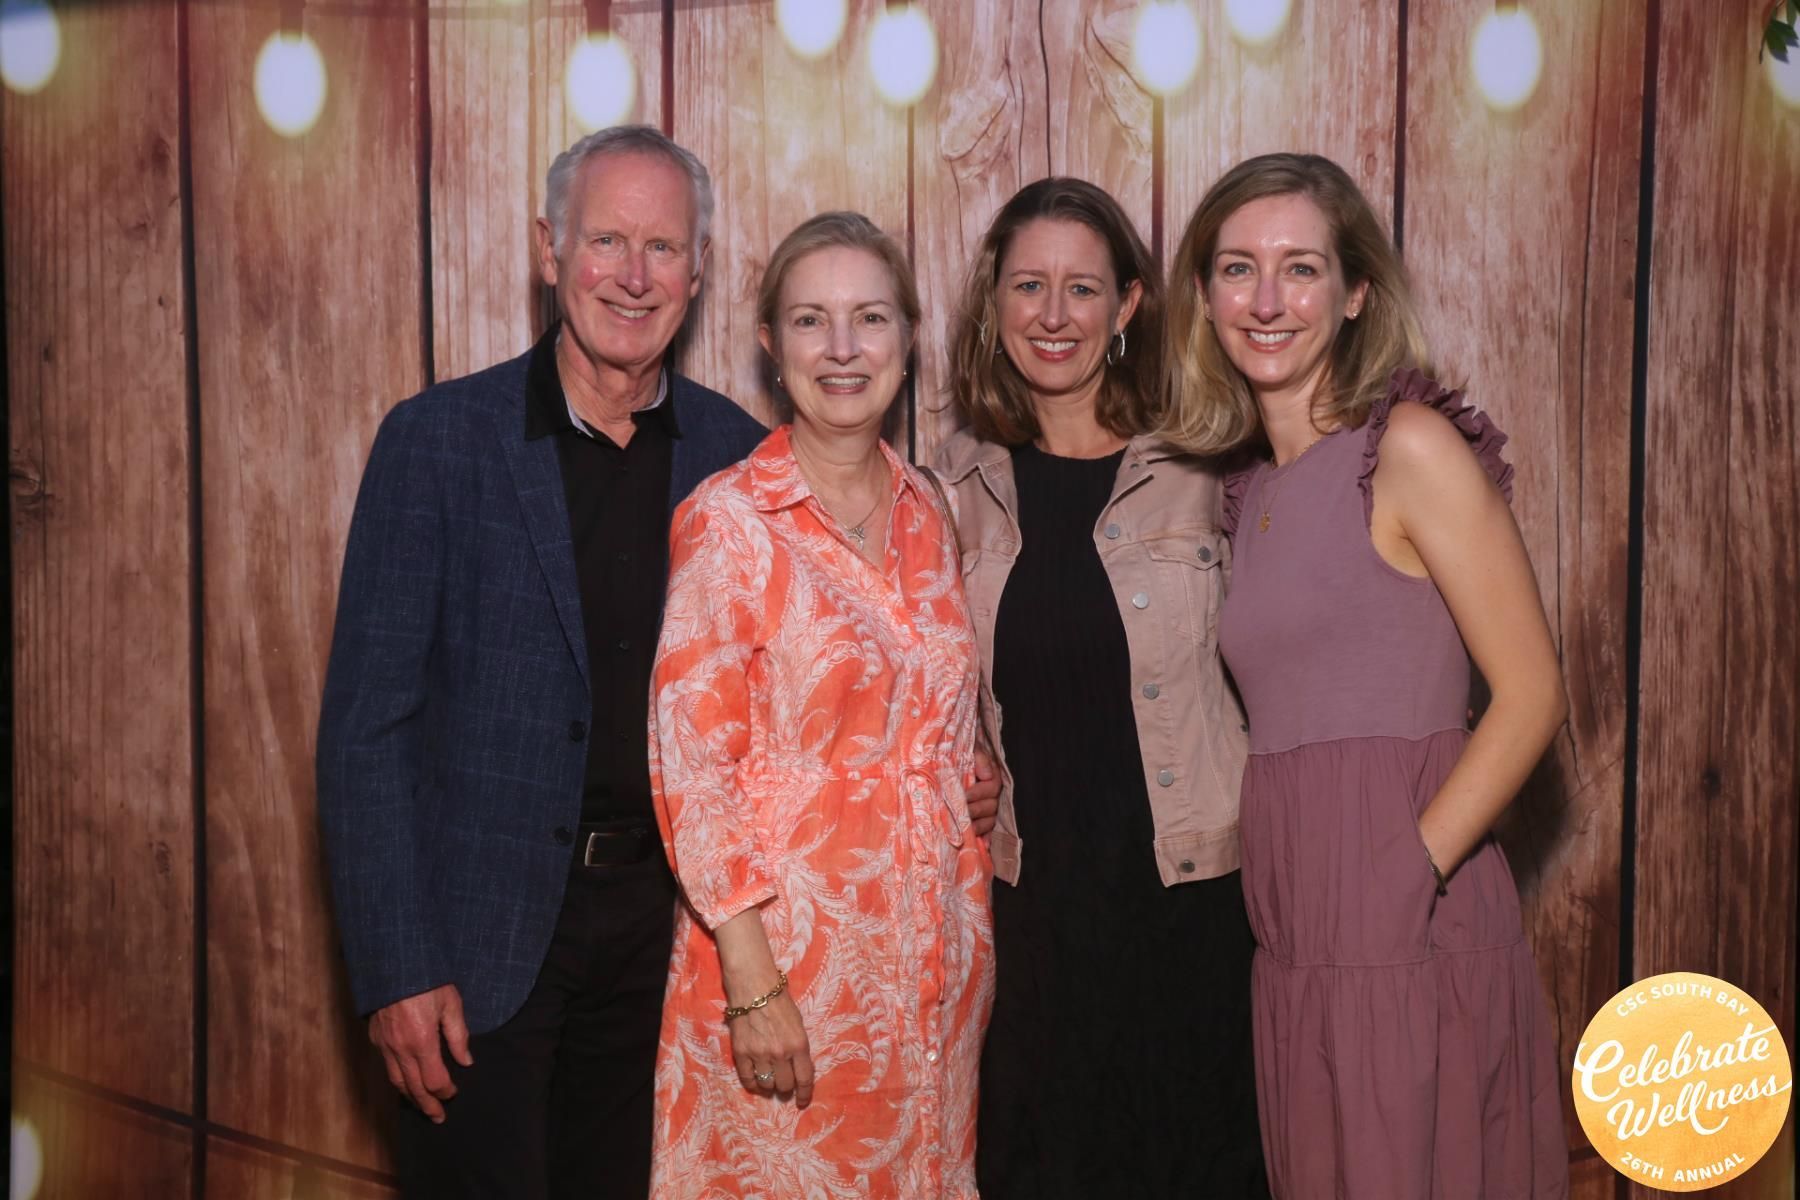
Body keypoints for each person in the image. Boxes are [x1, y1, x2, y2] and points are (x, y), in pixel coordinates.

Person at [315, 125, 766, 1198]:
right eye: (606, 240)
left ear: (699, 270)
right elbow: (364, 734)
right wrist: (397, 967)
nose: (633, 275)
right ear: (547, 249)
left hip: (669, 954)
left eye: (663, 248)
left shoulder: (739, 459)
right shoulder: (435, 442)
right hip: (478, 955)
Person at [1163, 152, 1569, 1198]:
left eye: (1301, 269)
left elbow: (1532, 692)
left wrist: (1406, 867)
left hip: (1406, 911)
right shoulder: (1252, 490)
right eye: (1238, 269)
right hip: (1294, 930)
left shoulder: (1409, 449)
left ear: (1353, 295)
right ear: (1205, 297)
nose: (1267, 300)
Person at [647, 211, 994, 1199]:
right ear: (772, 343)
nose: (843, 348)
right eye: (811, 320)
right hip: (786, 975)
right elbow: (691, 763)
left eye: (870, 318)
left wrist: (971, 770)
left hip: (934, 970)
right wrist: (752, 984)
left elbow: (934, 710)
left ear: (908, 339)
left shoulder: (933, 511)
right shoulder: (728, 522)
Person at [934, 177, 1267, 1199]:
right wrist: (963, 754)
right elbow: (920, 681)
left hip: (1191, 910)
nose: (1053, 314)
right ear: (994, 303)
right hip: (1034, 922)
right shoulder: (951, 491)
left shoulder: (1210, 466)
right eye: (1028, 285)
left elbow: (1291, 660)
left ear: (1126, 305)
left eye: (1082, 288)